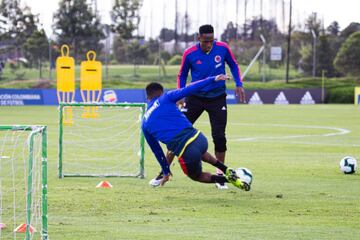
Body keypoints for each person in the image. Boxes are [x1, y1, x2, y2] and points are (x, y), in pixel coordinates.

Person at [150, 24, 245, 189]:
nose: (209, 44)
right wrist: (180, 95)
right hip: (195, 98)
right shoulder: (189, 53)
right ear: (199, 37)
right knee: (178, 135)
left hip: (217, 98)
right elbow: (182, 74)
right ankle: (163, 172)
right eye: (205, 41)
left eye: (211, 40)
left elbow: (234, 65)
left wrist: (239, 83)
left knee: (219, 136)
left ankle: (220, 176)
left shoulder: (222, 48)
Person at [142, 74, 250, 191]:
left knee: (197, 176)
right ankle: (225, 169)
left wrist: (166, 171)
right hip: (200, 139)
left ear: (148, 98)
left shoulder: (144, 124)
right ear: (161, 93)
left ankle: (229, 179)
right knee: (201, 152)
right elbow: (190, 88)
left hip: (186, 151)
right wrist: (213, 79)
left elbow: (157, 151)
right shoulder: (167, 97)